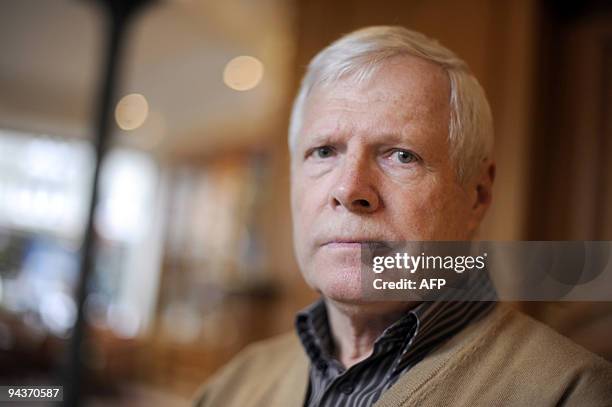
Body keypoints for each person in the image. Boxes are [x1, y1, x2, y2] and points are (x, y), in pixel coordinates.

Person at [194, 26, 612, 406]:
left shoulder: (571, 392)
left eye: (401, 156)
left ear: (478, 196)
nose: (348, 189)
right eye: (324, 151)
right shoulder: (232, 386)